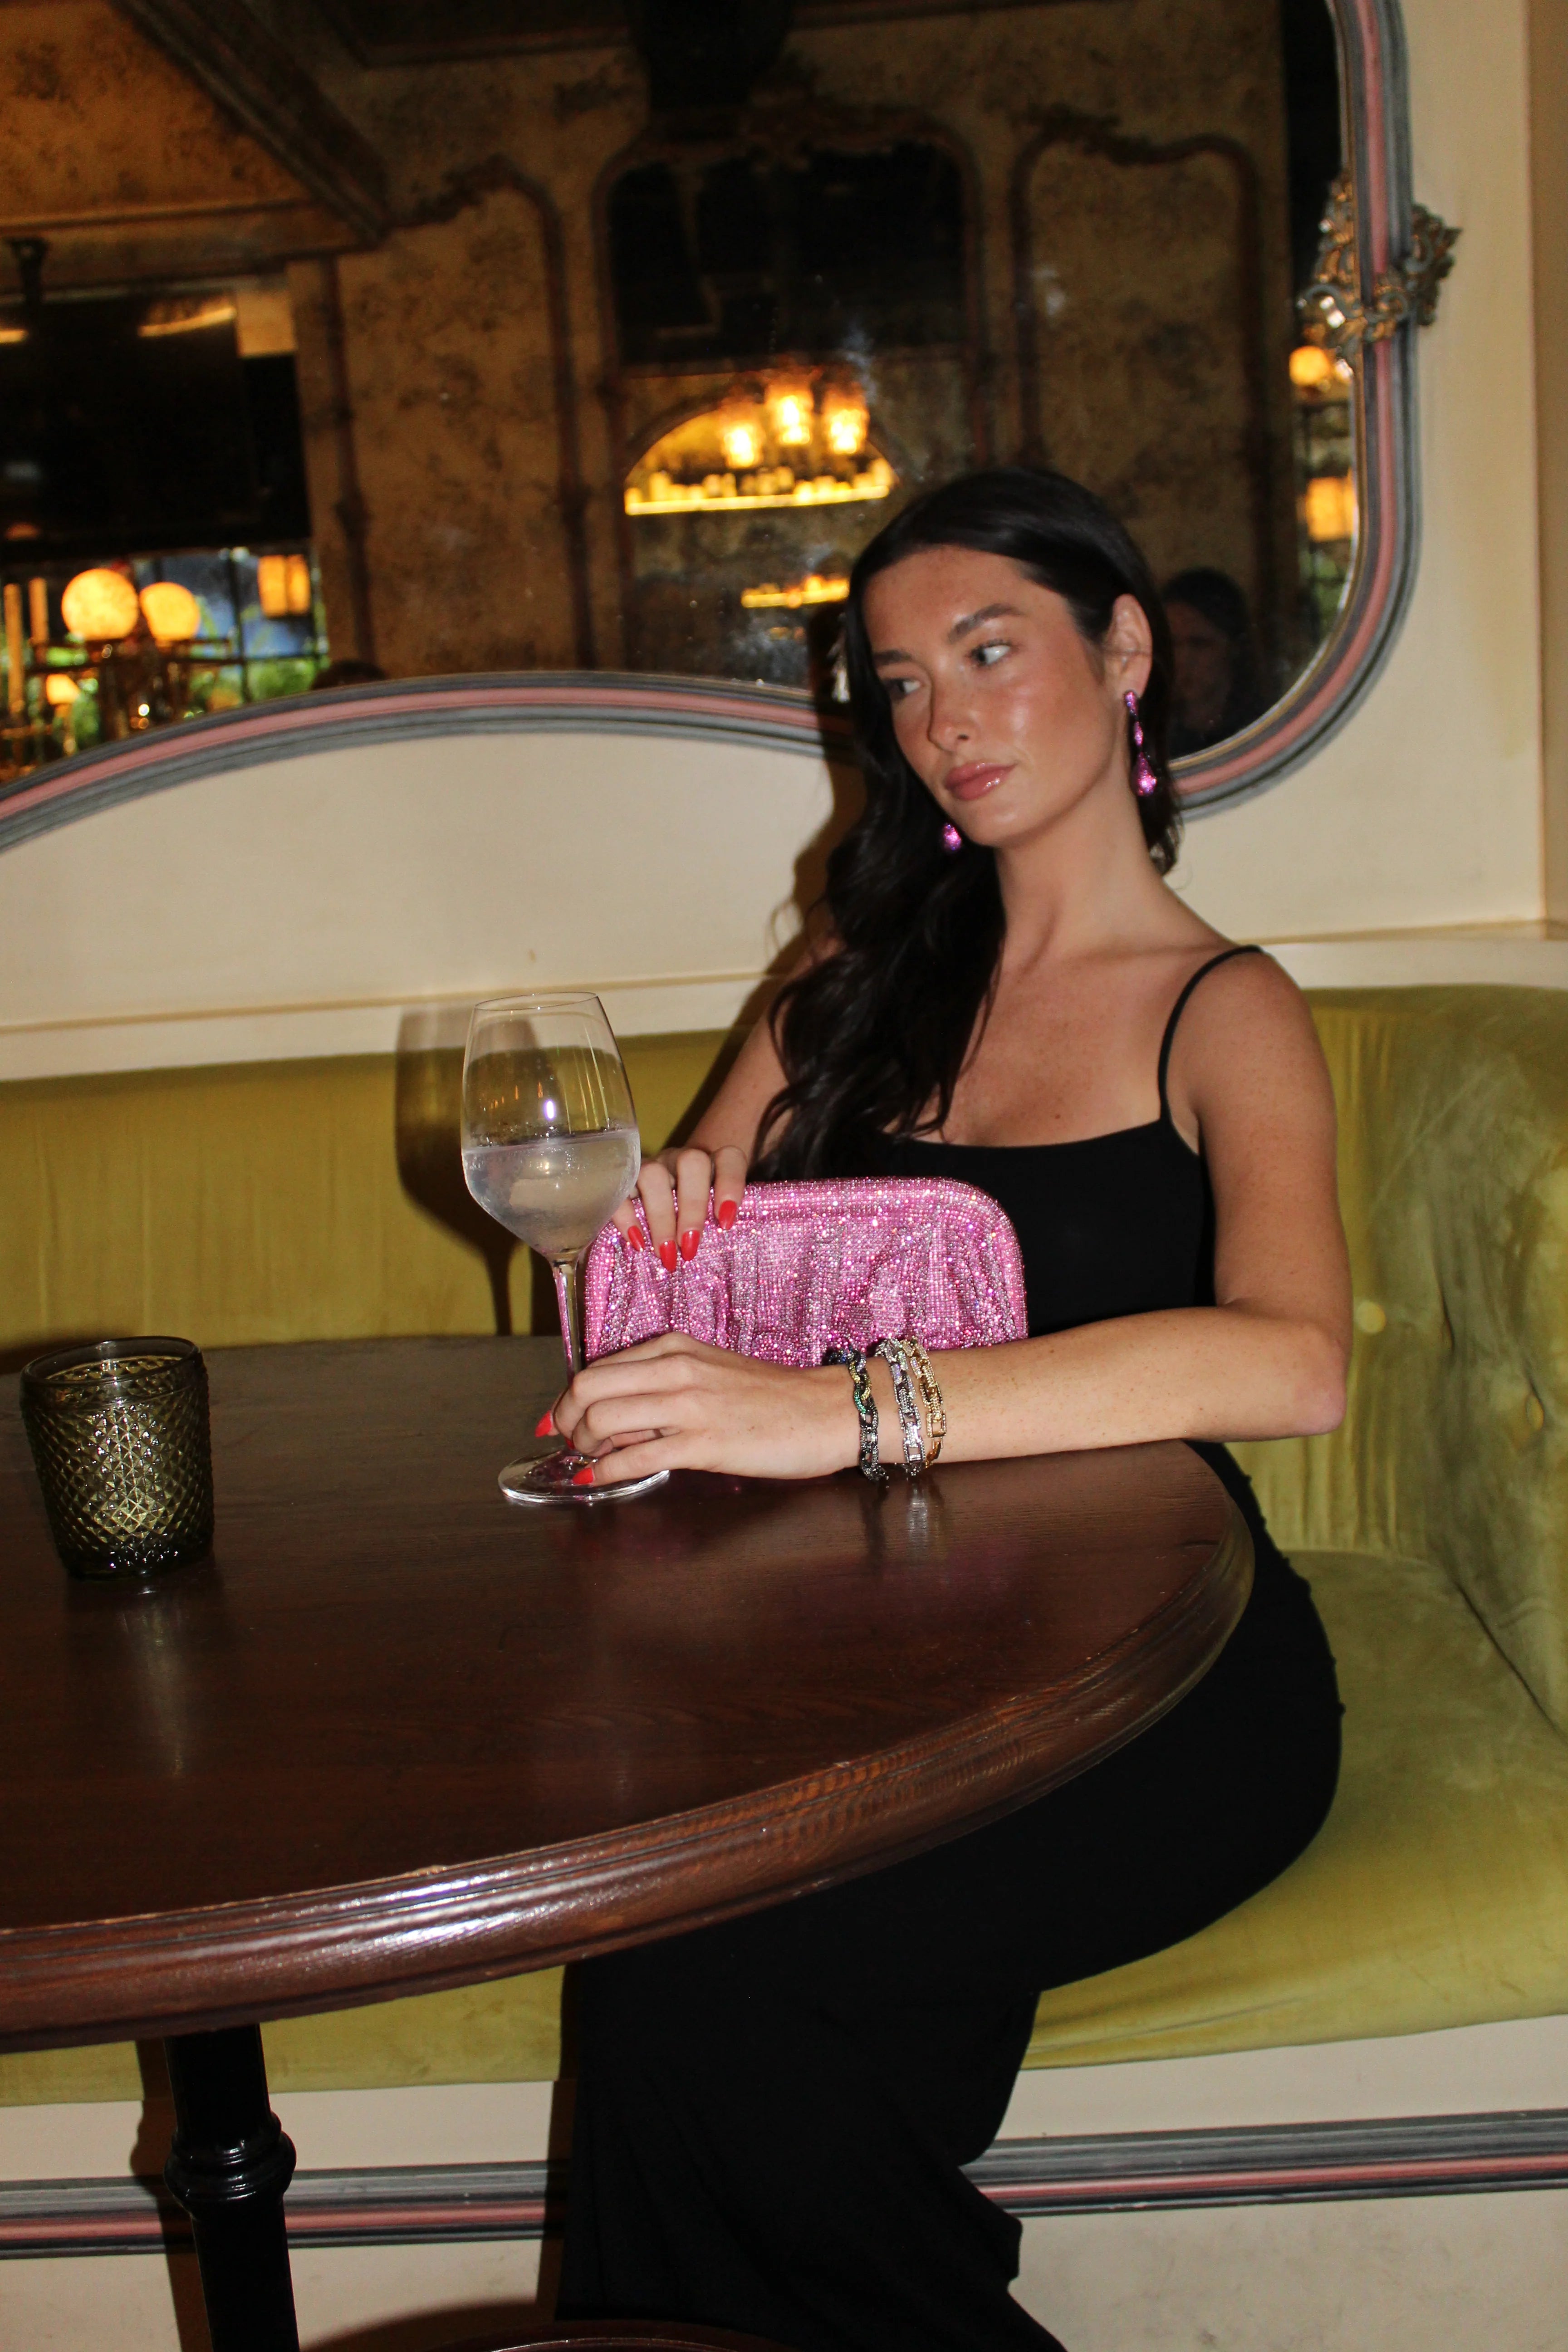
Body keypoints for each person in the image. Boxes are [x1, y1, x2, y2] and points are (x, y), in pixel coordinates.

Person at [549, 467, 1349, 2352]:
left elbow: (1294, 1361)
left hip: (1153, 1671)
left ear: (1124, 650)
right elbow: (666, 1327)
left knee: (710, 2007)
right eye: (901, 683)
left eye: (990, 652)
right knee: (688, 1995)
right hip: (854, 1660)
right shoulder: (843, 990)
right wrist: (673, 1235)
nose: (943, 722)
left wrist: (848, 1407)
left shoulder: (1222, 1007)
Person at [1162, 566, 1266, 755]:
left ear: (1234, 648)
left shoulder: (1261, 728)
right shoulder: (1149, 731)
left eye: (1199, 644)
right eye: (1173, 644)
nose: (1183, 659)